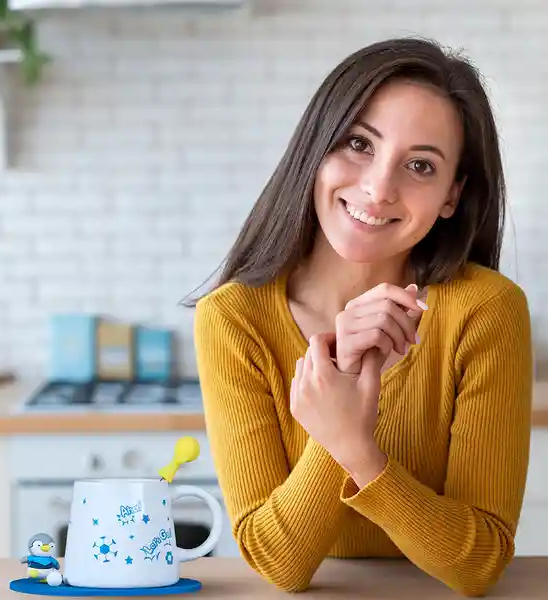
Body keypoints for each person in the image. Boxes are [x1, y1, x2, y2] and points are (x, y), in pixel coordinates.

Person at [189, 37, 533, 597]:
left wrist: (355, 445)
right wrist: (340, 398)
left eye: (420, 165)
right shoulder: (234, 318)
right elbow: (279, 565)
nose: (378, 188)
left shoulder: (486, 311)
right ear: (316, 149)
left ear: (452, 194)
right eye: (358, 143)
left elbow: (479, 565)